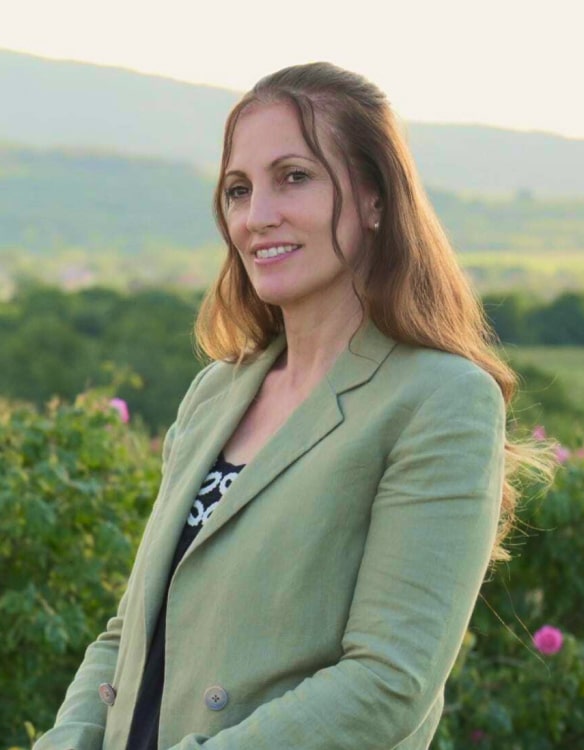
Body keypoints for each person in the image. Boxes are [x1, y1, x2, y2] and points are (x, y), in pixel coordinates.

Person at [33, 62, 546, 750]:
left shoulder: (442, 400)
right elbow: (131, 631)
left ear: (373, 199)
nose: (257, 215)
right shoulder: (217, 391)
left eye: (294, 177)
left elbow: (387, 680)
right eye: (239, 190)